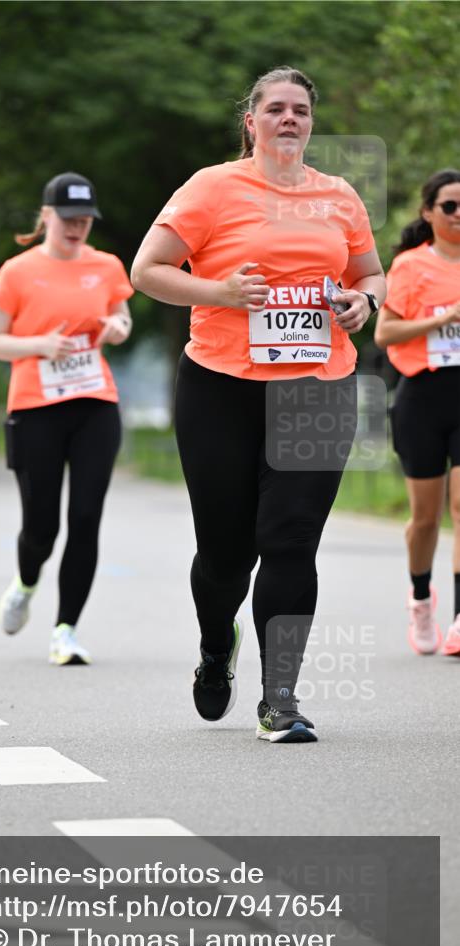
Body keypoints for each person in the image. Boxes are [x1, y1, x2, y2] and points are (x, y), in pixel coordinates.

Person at [131, 66, 385, 743]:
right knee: (224, 556)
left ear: (311, 121)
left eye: (299, 109)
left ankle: (280, 700)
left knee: (290, 540)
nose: (288, 120)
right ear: (251, 121)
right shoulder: (212, 187)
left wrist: (365, 302)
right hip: (220, 387)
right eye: (274, 109)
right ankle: (217, 649)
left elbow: (367, 274)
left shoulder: (338, 196)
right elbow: (146, 270)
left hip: (317, 385)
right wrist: (218, 293)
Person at [0, 172, 133, 665]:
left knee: (86, 518)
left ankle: (65, 629)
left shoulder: (107, 265)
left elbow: (123, 319)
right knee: (41, 527)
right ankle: (25, 584)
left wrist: (116, 327)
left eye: (85, 219)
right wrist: (40, 345)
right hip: (34, 408)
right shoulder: (18, 271)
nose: (77, 227)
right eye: (68, 218)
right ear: (46, 215)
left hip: (94, 402)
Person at [374, 169, 460, 656]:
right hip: (422, 399)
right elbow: (385, 335)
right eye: (449, 205)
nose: (458, 214)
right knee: (425, 518)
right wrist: (443, 319)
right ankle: (421, 597)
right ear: (428, 212)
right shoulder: (409, 266)